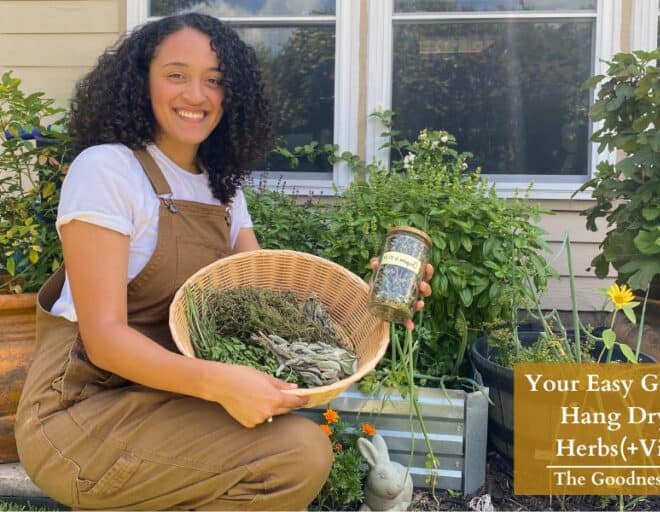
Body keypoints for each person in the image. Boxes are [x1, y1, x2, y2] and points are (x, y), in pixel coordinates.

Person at [14, 13, 432, 511]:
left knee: (301, 450)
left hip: (165, 402)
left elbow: (266, 304)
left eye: (214, 81)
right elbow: (104, 340)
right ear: (139, 81)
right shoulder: (108, 169)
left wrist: (372, 302)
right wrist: (221, 382)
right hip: (81, 411)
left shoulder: (222, 188)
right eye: (176, 75)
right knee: (293, 456)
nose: (197, 94)